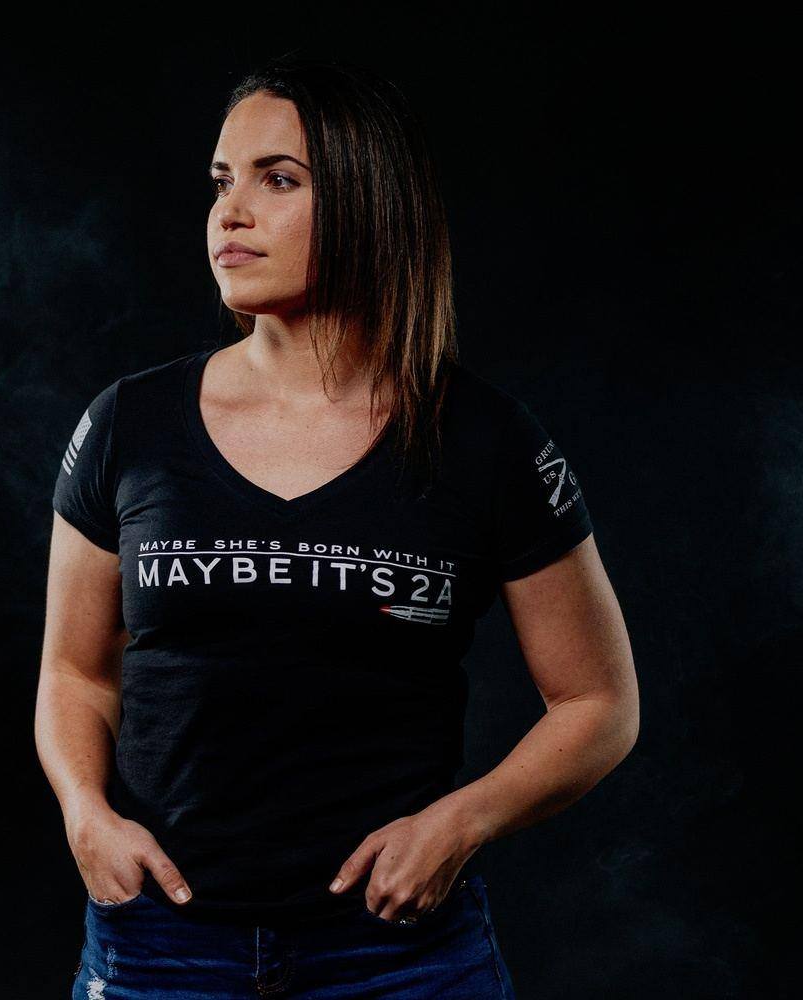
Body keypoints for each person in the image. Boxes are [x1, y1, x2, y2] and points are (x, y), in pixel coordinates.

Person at [35, 55, 638, 1000]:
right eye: (222, 182)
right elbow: (75, 673)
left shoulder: (484, 441)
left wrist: (462, 822)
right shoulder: (128, 425)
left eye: (278, 180)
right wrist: (84, 813)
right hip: (159, 945)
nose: (230, 213)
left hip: (398, 955)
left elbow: (599, 703)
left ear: (370, 204)